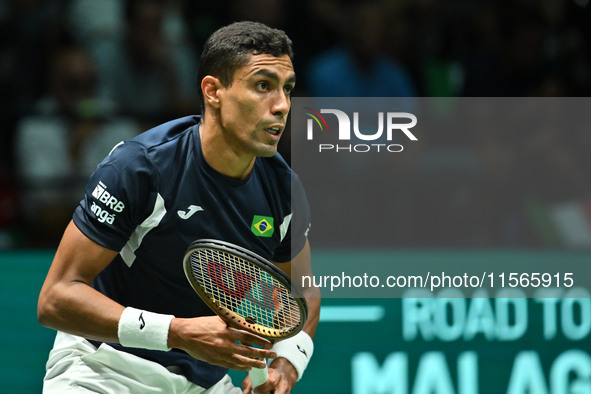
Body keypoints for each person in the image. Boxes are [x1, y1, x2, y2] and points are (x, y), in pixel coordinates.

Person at [37, 21, 320, 394]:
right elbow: (56, 298)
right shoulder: (141, 168)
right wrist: (178, 332)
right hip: (103, 368)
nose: (282, 105)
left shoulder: (283, 190)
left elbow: (302, 292)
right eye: (262, 86)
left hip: (203, 382)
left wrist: (287, 364)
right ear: (213, 91)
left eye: (287, 89)